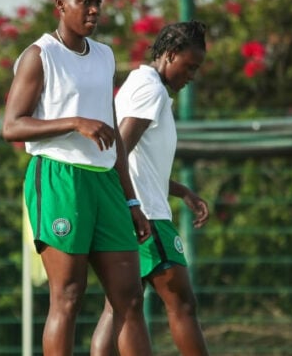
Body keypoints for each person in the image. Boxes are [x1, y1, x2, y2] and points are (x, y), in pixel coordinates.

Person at [2, 0, 153, 355]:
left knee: (129, 296)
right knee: (68, 295)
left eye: (98, 2)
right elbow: (12, 126)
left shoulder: (104, 56)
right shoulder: (40, 55)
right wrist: (73, 122)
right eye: (85, 2)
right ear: (60, 4)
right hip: (59, 178)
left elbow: (113, 133)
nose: (94, 10)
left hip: (106, 183)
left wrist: (131, 200)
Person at [91, 21, 210, 356]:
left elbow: (135, 161)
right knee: (182, 303)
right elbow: (119, 150)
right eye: (190, 66)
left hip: (129, 209)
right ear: (170, 55)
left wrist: (181, 190)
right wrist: (133, 205)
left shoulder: (139, 83)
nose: (192, 76)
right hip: (146, 215)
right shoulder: (152, 90)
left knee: (119, 307)